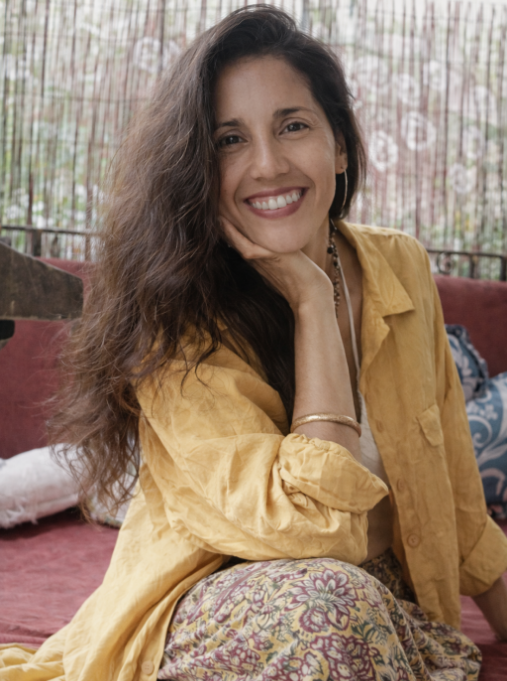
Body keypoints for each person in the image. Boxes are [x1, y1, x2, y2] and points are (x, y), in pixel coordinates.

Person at [2, 6, 507, 680]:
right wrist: (311, 303)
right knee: (329, 601)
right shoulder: (175, 317)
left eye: (292, 126)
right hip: (225, 605)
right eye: (229, 140)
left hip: (378, 608)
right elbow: (311, 528)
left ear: (340, 146)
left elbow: (457, 503)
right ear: (196, 168)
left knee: (347, 601)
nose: (267, 164)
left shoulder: (400, 266)